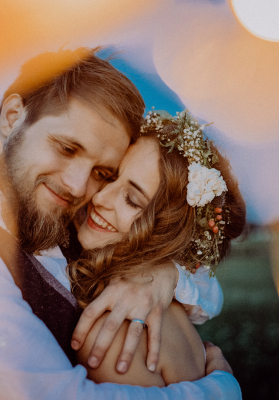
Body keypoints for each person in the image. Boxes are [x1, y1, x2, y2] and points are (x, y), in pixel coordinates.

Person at [0, 47, 242, 399]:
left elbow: (197, 268)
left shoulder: (63, 219)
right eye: (67, 148)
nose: (81, 188)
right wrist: (220, 391)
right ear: (12, 118)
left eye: (101, 172)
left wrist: (160, 274)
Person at [68, 109, 246, 385]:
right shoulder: (171, 307)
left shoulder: (113, 339)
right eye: (110, 176)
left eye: (132, 200)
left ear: (167, 232)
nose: (100, 197)